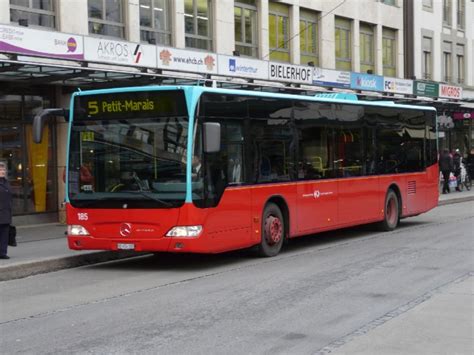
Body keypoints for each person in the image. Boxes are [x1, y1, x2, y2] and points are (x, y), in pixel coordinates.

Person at [0, 161, 13, 259]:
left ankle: (3, 253)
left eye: (3, 169)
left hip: (6, 212)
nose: (2, 171)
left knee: (4, 233)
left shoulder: (6, 182)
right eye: (0, 169)